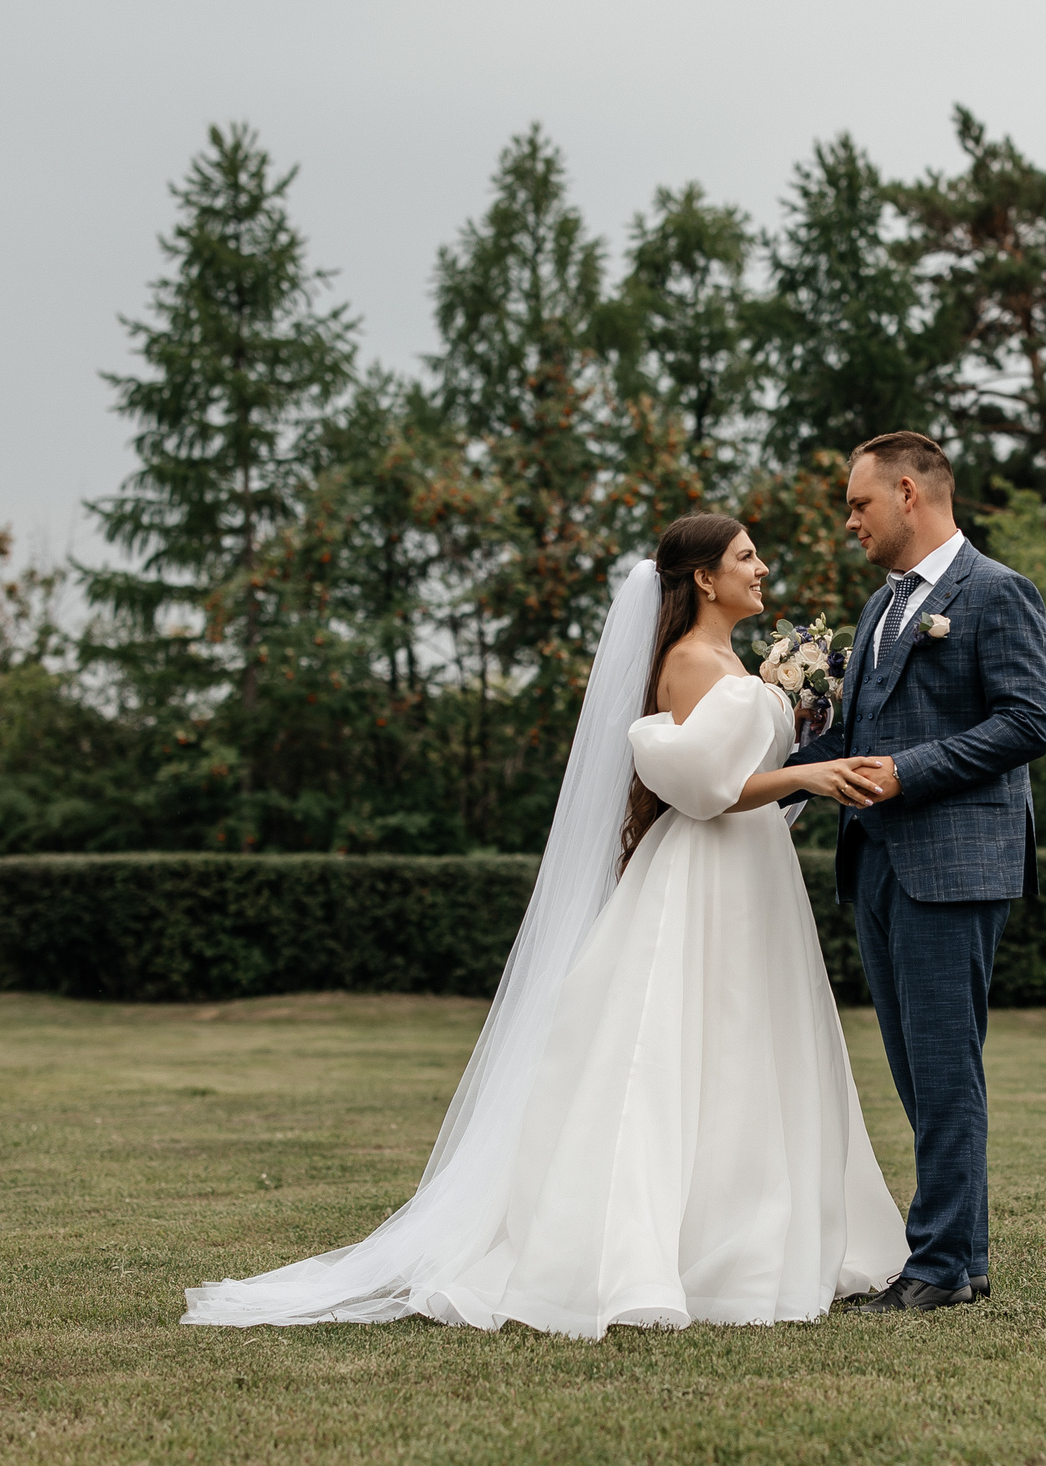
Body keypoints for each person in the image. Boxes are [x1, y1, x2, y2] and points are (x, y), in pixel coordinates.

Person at [182, 513, 908, 1337]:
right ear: (703, 578)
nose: (763, 567)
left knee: (750, 1044)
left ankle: (759, 1231)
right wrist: (806, 771)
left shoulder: (730, 661)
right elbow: (705, 783)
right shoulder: (691, 660)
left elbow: (736, 770)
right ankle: (688, 1251)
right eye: (746, 556)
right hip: (706, 872)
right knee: (690, 1046)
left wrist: (791, 736)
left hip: (749, 873)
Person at [786, 433, 1046, 1313]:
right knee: (916, 1071)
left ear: (909, 492)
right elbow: (850, 741)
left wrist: (911, 771)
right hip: (874, 865)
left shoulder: (997, 592)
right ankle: (962, 1259)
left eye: (859, 503)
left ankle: (937, 1265)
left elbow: (1026, 721)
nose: (849, 520)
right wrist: (740, 775)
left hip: (954, 863)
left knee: (945, 1070)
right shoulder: (879, 607)